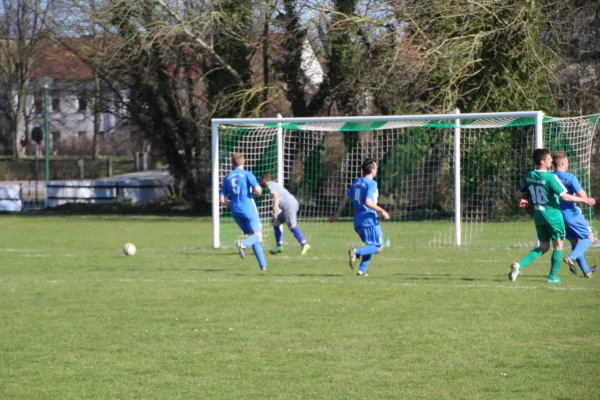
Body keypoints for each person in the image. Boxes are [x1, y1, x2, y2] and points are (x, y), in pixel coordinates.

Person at [509, 148, 596, 283]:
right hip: (553, 216)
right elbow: (564, 196)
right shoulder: (551, 177)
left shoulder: (529, 175)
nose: (551, 160)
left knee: (543, 247)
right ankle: (553, 277)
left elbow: (518, 193)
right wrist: (583, 200)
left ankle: (519, 265)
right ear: (543, 162)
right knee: (558, 245)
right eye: (549, 158)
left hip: (538, 216)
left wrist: (521, 200)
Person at [329, 158, 390, 277]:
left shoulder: (356, 182)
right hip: (368, 217)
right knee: (379, 246)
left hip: (357, 220)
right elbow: (368, 202)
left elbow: (345, 199)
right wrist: (382, 210)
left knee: (371, 244)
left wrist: (337, 214)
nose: (377, 169)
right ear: (372, 170)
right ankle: (356, 252)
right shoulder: (372, 183)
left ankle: (362, 271)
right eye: (376, 167)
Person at [219, 153, 268, 271]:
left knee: (253, 235)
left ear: (232, 163)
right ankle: (243, 244)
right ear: (244, 162)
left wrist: (232, 205)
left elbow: (222, 200)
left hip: (235, 211)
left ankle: (263, 265)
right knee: (258, 237)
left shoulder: (227, 177)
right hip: (248, 208)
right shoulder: (247, 174)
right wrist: (257, 193)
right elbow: (258, 190)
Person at [552, 151, 597, 278]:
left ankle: (586, 271)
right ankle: (571, 258)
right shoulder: (570, 177)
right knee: (590, 238)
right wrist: (584, 199)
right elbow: (583, 196)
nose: (568, 164)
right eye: (566, 162)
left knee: (574, 243)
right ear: (562, 162)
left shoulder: (550, 177)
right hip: (572, 214)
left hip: (558, 216)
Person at [260, 173, 311, 255]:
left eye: (261, 180)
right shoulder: (272, 184)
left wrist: (275, 209)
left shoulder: (270, 185)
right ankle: (279, 246)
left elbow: (276, 197)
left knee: (292, 227)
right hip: (288, 206)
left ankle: (305, 244)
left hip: (289, 205)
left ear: (264, 180)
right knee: (276, 223)